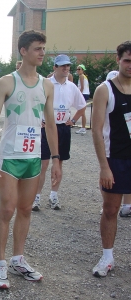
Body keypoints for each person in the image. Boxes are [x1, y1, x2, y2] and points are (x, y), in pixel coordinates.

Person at [0, 30, 61, 289]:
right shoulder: (7, 81)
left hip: (33, 157)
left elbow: (50, 125)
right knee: (7, 209)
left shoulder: (46, 85)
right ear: (23, 51)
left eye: (43, 48)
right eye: (38, 48)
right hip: (9, 157)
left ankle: (18, 259)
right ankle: (0, 264)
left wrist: (57, 159)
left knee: (26, 210)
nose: (42, 53)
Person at [91, 41, 131, 277]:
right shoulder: (105, 90)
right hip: (115, 159)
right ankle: (107, 257)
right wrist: (104, 167)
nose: (130, 65)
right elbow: (96, 131)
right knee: (110, 209)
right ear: (118, 60)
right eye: (127, 60)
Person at [32, 55, 86, 211]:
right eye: (62, 66)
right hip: (46, 127)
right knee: (43, 164)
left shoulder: (71, 87)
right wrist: (38, 120)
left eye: (68, 66)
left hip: (63, 128)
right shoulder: (46, 84)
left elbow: (82, 106)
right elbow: (34, 103)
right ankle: (36, 197)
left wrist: (74, 120)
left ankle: (53, 196)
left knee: (59, 163)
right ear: (55, 67)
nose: (66, 68)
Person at [75, 64, 90, 135]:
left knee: (82, 111)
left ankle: (83, 128)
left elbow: (82, 87)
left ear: (82, 70)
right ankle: (83, 127)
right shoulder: (84, 76)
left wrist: (79, 95)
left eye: (79, 69)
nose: (77, 71)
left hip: (83, 94)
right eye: (77, 69)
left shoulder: (81, 76)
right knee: (82, 111)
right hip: (85, 94)